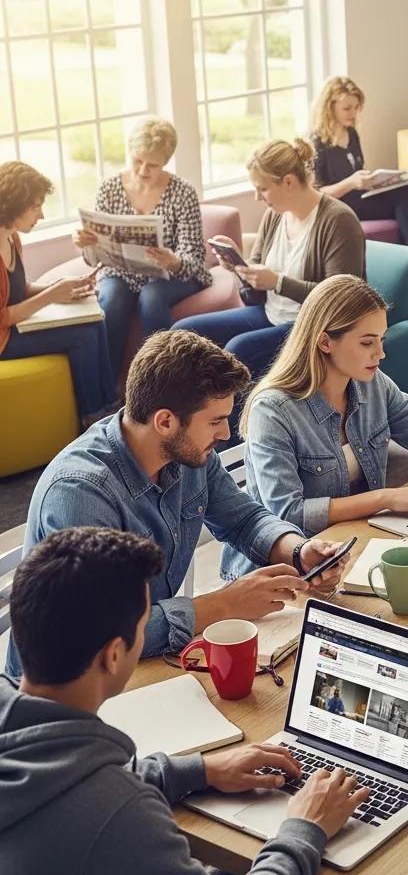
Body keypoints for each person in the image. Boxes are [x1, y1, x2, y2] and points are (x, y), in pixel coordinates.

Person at [0, 526, 369, 875]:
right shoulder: (121, 818)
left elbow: (60, 777)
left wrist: (200, 770)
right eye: (144, 626)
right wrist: (303, 829)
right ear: (113, 656)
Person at [5, 330, 350, 681]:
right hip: (71, 688)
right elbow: (94, 635)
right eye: (215, 421)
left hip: (148, 663)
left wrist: (298, 551)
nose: (226, 434)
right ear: (165, 422)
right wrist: (223, 605)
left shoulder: (187, 453)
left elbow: (243, 519)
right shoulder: (81, 494)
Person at [225, 274, 408, 578]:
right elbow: (289, 514)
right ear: (324, 341)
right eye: (367, 342)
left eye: (381, 340)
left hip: (352, 544)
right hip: (283, 571)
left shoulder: (372, 386)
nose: (381, 353)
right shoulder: (273, 410)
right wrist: (385, 498)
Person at [172, 138, 365, 382]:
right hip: (270, 314)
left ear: (289, 182)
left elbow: (340, 299)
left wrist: (278, 282)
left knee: (239, 349)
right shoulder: (274, 216)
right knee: (182, 333)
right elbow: (252, 297)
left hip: (314, 328)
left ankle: (227, 421)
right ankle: (185, 416)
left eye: (261, 189)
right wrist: (239, 269)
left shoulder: (338, 220)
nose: (256, 197)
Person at [75, 118, 212, 373]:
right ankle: (111, 387)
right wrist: (87, 245)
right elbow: (94, 260)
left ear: (166, 161)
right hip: (121, 271)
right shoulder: (110, 188)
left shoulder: (183, 193)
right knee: (112, 300)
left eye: (153, 165)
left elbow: (193, 255)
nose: (143, 170)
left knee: (152, 298)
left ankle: (158, 377)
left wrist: (172, 260)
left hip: (171, 273)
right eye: (137, 161)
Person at [310, 75, 408, 299]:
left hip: (358, 196)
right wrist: (350, 182)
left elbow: (357, 170)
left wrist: (374, 180)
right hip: (337, 205)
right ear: (329, 108)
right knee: (404, 197)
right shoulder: (317, 142)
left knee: (407, 189)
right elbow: (315, 193)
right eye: (347, 108)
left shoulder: (350, 133)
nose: (353, 113)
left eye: (356, 107)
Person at [0, 160, 117, 426]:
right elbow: (3, 317)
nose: (40, 215)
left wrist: (65, 288)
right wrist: (53, 295)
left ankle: (110, 409)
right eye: (34, 207)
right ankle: (94, 419)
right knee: (82, 336)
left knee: (95, 320)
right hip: (2, 338)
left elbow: (18, 290)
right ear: (13, 207)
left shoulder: (11, 237)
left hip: (11, 325)